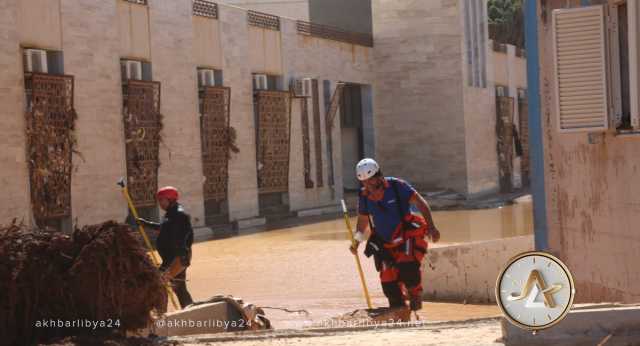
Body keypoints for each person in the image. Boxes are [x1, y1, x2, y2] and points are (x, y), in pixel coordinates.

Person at [350, 158, 440, 312]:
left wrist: (431, 226)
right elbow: (363, 221)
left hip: (406, 236)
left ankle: (415, 299)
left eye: (370, 181)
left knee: (408, 268)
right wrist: (356, 242)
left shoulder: (397, 186)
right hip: (384, 242)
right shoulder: (364, 195)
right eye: (364, 183)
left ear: (379, 176)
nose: (368, 186)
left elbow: (420, 202)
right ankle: (399, 312)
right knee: (388, 283)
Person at [138, 186, 194, 308]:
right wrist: (146, 223)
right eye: (159, 201)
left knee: (158, 284)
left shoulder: (180, 215)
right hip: (172, 257)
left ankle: (161, 313)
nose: (160, 204)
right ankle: (189, 308)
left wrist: (168, 265)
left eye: (162, 200)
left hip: (177, 258)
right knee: (179, 287)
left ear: (170, 199)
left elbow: (182, 239)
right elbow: (165, 229)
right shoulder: (171, 213)